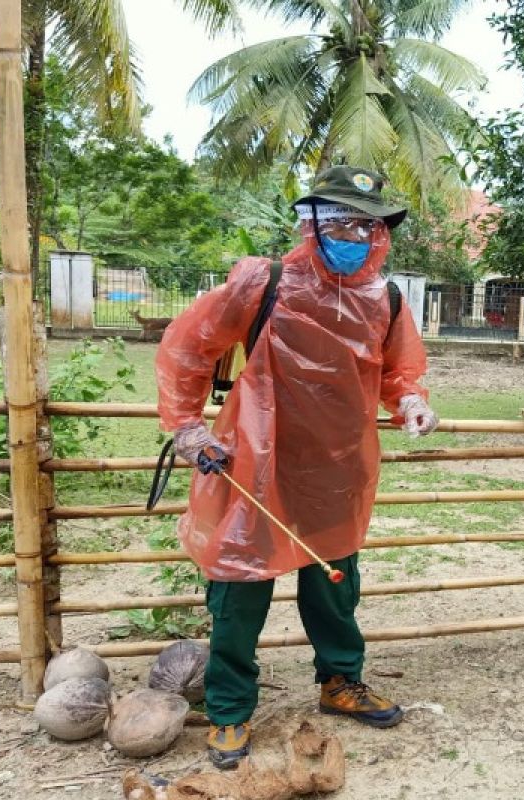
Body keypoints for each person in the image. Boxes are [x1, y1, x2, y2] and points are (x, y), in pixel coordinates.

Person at [156, 166, 439, 770]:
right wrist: (186, 425)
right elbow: (189, 344)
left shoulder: (385, 298)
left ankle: (341, 682)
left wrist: (411, 400)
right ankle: (230, 709)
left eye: (366, 223)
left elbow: (399, 369)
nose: (354, 233)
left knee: (336, 589)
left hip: (339, 469)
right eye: (340, 220)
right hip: (254, 463)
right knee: (238, 589)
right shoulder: (265, 281)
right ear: (310, 224)